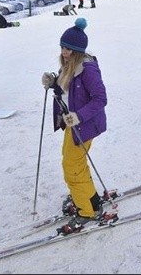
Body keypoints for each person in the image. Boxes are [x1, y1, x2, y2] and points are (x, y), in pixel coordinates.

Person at [41, 17, 109, 234]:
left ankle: (88, 209)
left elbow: (100, 99)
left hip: (84, 125)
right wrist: (53, 82)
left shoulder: (87, 69)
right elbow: (68, 90)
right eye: (62, 47)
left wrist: (78, 116)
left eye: (69, 49)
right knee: (73, 162)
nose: (64, 52)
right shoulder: (69, 65)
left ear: (78, 50)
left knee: (71, 166)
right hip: (74, 126)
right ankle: (87, 196)